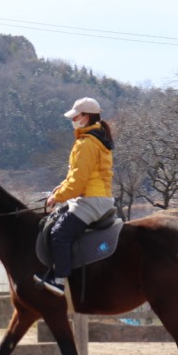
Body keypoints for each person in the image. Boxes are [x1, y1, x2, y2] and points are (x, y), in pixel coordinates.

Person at [35, 97, 115, 297]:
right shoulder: (94, 139)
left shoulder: (86, 143)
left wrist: (57, 197)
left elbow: (78, 182)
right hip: (96, 196)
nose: (73, 120)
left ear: (86, 117)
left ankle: (60, 280)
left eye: (75, 116)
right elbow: (75, 176)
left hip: (91, 200)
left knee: (59, 233)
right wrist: (60, 188)